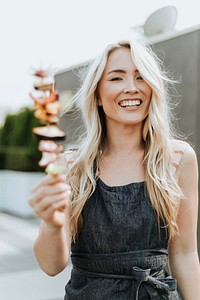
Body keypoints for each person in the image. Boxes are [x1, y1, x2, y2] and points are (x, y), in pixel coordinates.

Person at [28, 40, 200, 299]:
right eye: (117, 78)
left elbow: (185, 254)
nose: (132, 88)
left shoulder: (177, 159)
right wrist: (52, 225)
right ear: (97, 94)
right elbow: (51, 267)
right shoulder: (72, 167)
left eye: (141, 77)